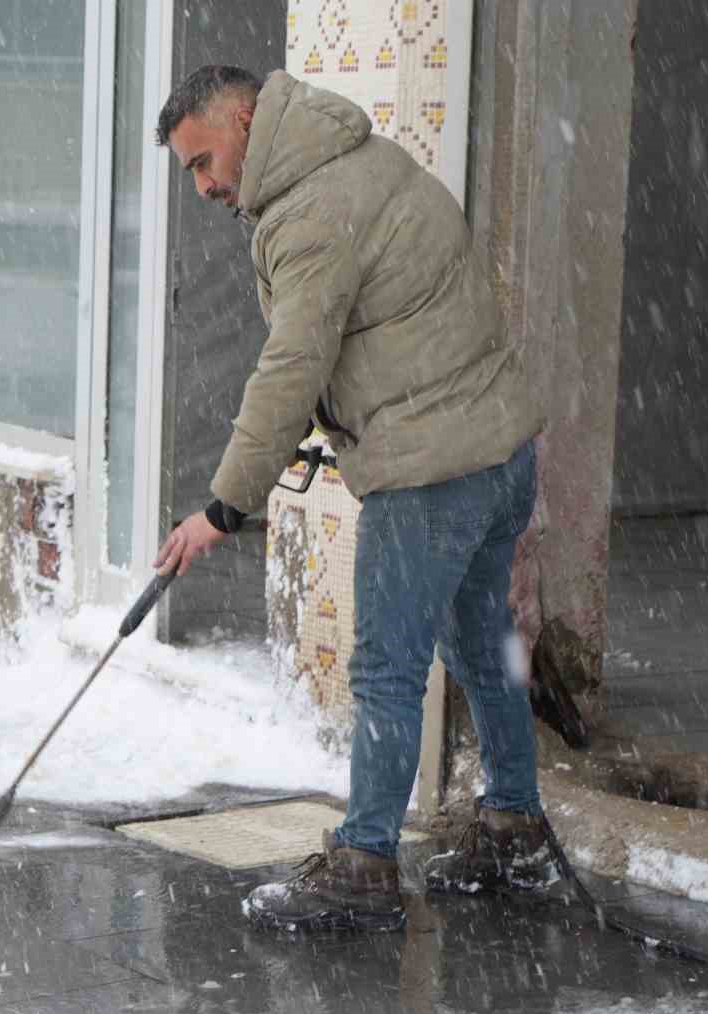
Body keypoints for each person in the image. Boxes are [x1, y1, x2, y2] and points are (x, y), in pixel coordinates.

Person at [154, 65, 550, 933]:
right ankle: (515, 821)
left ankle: (365, 862)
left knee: (385, 671)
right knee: (485, 642)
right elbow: (387, 324)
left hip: (430, 473)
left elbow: (290, 367)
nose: (205, 186)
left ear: (248, 120)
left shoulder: (308, 214)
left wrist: (222, 509)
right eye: (191, 171)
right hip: (500, 452)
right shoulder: (359, 160)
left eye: (204, 161)